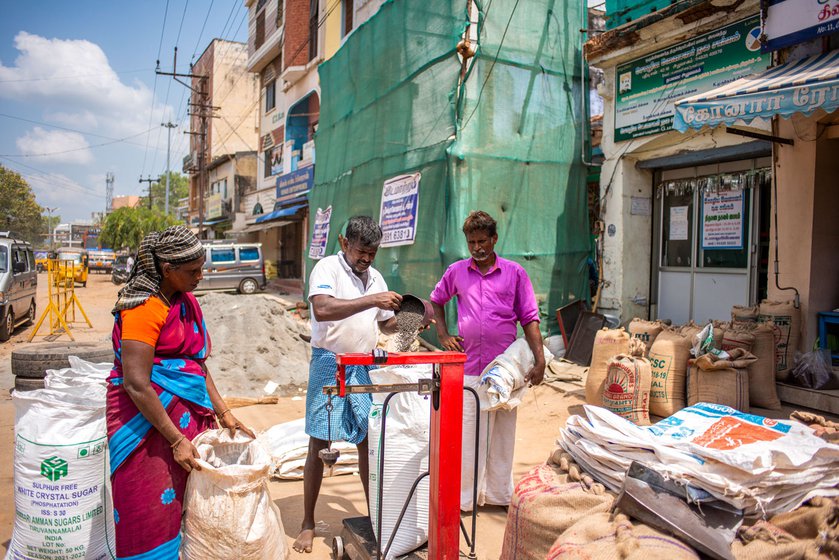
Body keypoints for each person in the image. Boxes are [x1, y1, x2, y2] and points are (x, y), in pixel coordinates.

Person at [106, 225, 254, 559]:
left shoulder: (184, 303)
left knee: (191, 508)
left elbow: (197, 364)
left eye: (202, 267)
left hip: (184, 426)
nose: (201, 276)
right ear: (167, 269)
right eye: (193, 270)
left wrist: (223, 411)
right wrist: (176, 440)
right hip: (144, 429)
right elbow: (136, 383)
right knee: (147, 509)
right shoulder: (143, 310)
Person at [293, 216, 403, 554]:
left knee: (368, 441)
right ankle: (308, 522)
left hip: (363, 365)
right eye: (361, 252)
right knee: (319, 440)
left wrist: (411, 318)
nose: (366, 259)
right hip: (329, 363)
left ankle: (375, 516)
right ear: (344, 243)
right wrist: (373, 300)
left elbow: (386, 326)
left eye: (372, 253)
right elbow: (323, 310)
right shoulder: (327, 269)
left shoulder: (376, 278)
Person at [430, 210, 545, 511]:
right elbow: (436, 301)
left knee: (503, 436)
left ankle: (497, 496)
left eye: (483, 241)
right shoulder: (456, 271)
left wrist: (540, 359)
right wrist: (443, 335)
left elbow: (530, 318)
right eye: (471, 243)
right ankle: (465, 500)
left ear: (494, 239)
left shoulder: (515, 273)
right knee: (469, 437)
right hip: (468, 369)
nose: (477, 248)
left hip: (506, 371)